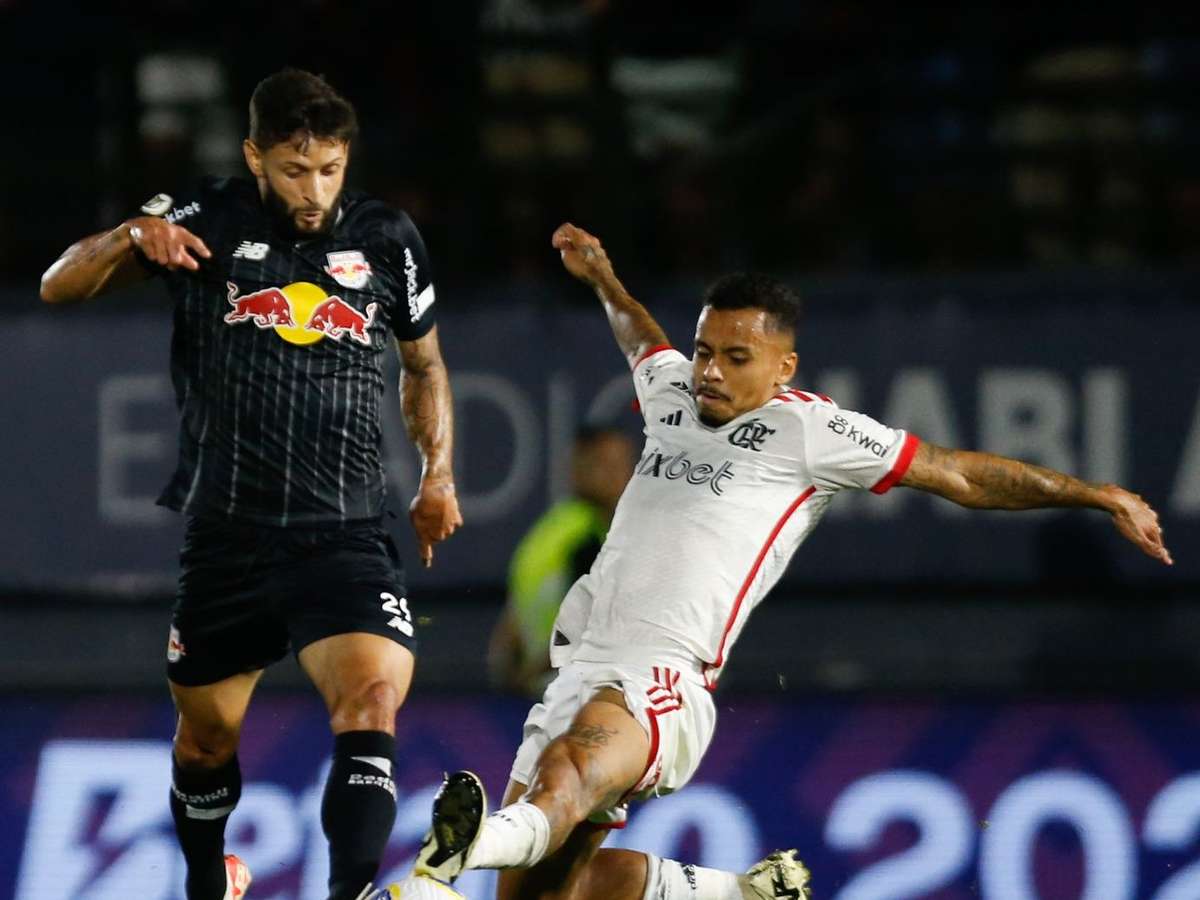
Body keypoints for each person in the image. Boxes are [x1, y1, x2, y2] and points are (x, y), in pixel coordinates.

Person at [410, 222, 1173, 900]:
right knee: (547, 892)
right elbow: (641, 340)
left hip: (661, 677)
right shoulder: (674, 392)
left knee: (569, 772)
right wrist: (604, 280)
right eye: (705, 350)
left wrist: (1095, 494)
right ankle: (740, 892)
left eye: (735, 357)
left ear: (783, 367)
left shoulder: (811, 433)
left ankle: (461, 848)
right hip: (580, 664)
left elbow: (957, 473)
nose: (710, 371)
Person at [40, 69, 462, 900]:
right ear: (254, 157)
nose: (314, 192)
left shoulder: (386, 238)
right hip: (229, 535)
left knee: (372, 702)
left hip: (344, 532)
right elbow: (59, 285)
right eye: (295, 170)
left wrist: (438, 474)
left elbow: (424, 364)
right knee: (205, 743)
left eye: (330, 169)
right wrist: (131, 235)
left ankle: (349, 893)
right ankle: (209, 880)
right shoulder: (202, 218)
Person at [488, 425, 635, 696]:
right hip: (573, 687)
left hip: (544, 686)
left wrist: (515, 677)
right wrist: (532, 672)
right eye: (604, 465)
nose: (619, 476)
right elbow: (583, 623)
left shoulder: (550, 528)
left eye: (622, 465)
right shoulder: (588, 539)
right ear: (578, 469)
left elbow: (511, 624)